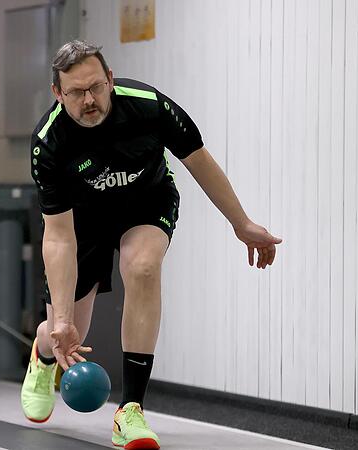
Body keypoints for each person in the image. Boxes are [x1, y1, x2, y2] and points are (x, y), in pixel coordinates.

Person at [21, 40, 282, 449]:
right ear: (58, 92)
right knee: (71, 328)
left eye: (95, 87)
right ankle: (43, 356)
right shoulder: (49, 141)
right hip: (81, 221)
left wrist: (242, 223)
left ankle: (130, 410)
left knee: (142, 267)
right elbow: (58, 237)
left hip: (146, 202)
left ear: (110, 79)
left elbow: (199, 161)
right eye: (76, 92)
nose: (89, 100)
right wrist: (62, 320)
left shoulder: (148, 106)